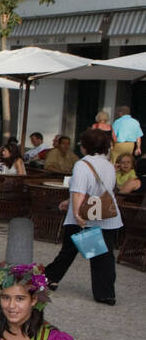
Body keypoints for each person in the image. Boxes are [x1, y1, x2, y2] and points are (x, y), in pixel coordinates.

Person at [44, 128, 122, 305]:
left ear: (86, 146)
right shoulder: (108, 164)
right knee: (103, 255)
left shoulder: (82, 164)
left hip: (84, 216)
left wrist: (77, 213)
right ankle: (106, 293)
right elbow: (101, 189)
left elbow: (79, 192)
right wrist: (68, 201)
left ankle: (50, 278)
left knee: (69, 250)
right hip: (106, 215)